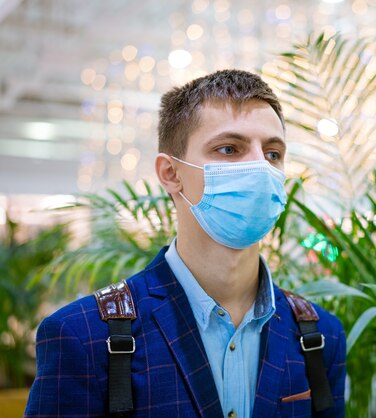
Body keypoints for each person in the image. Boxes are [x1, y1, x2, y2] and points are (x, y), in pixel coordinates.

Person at [24, 69, 346, 417]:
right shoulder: (84, 335)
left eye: (272, 153)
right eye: (229, 148)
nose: (259, 167)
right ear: (170, 173)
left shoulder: (318, 336)